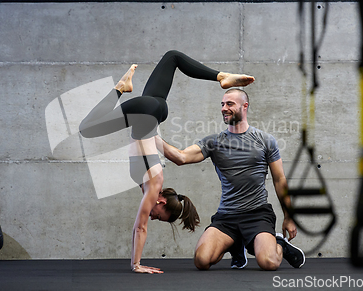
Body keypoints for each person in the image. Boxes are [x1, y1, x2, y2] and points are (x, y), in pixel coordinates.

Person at [79, 50, 255, 273]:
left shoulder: (152, 177)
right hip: (147, 112)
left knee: (172, 57)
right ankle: (120, 88)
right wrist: (136, 264)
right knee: (87, 129)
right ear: (161, 202)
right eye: (159, 217)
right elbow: (140, 227)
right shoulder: (153, 185)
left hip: (157, 109)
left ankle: (221, 77)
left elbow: (156, 140)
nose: (153, 217)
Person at [155, 88, 305, 271]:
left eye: (230, 104)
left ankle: (279, 242)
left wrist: (288, 217)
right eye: (222, 104)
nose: (224, 108)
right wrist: (150, 135)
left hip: (257, 214)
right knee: (201, 261)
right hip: (227, 216)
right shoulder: (214, 142)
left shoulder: (265, 140)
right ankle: (235, 244)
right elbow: (181, 157)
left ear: (245, 106)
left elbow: (280, 180)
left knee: (269, 263)